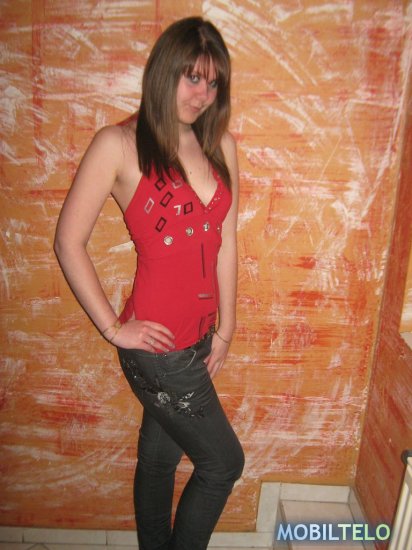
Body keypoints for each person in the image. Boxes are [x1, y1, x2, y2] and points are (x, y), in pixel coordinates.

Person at [54, 16, 244, 550]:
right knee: (224, 463)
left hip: (200, 338)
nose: (203, 94)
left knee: (159, 460)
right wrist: (113, 328)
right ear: (165, 71)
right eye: (192, 77)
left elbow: (227, 241)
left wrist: (227, 327)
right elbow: (68, 241)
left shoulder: (221, 145)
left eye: (213, 83)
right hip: (159, 350)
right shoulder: (118, 144)